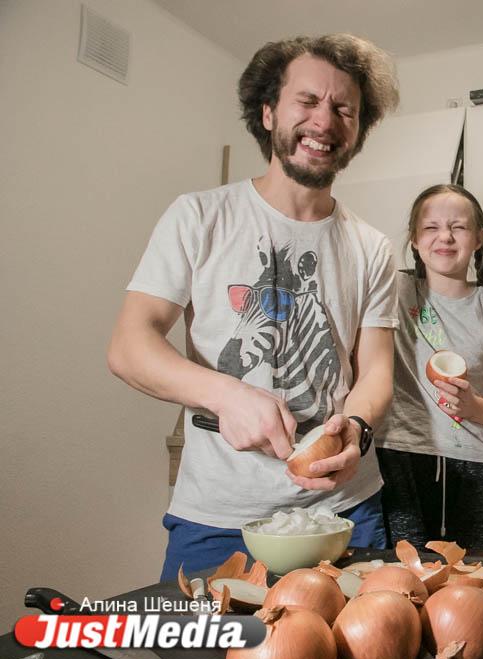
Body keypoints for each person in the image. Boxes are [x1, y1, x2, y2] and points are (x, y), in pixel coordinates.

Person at [107, 34, 401, 581]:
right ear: (268, 113)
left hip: (346, 512)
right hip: (218, 519)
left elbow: (376, 372)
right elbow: (130, 346)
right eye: (307, 101)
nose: (324, 121)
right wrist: (226, 394)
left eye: (344, 109)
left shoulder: (372, 248)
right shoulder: (198, 217)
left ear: (357, 130)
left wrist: (357, 429)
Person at [374, 184, 483, 555]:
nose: (444, 236)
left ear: (479, 238)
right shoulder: (393, 291)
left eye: (458, 227)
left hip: (474, 466)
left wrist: (476, 407)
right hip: (398, 458)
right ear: (414, 239)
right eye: (431, 227)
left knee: (480, 578)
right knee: (404, 580)